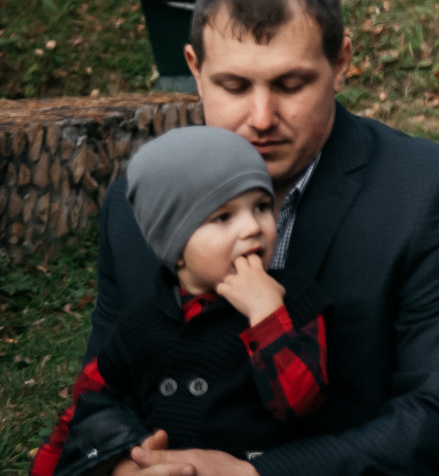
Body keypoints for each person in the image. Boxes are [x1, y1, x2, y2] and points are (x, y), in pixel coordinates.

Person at [71, 0, 439, 476]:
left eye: (290, 84)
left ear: (342, 63)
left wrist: (254, 473)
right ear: (194, 68)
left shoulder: (428, 194)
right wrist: (124, 464)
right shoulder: (136, 206)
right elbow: (97, 396)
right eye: (233, 86)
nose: (261, 118)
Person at [34, 127, 330, 476]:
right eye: (223, 217)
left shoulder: (295, 303)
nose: (253, 226)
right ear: (174, 248)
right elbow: (87, 404)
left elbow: (301, 403)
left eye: (262, 206)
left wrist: (266, 314)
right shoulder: (140, 325)